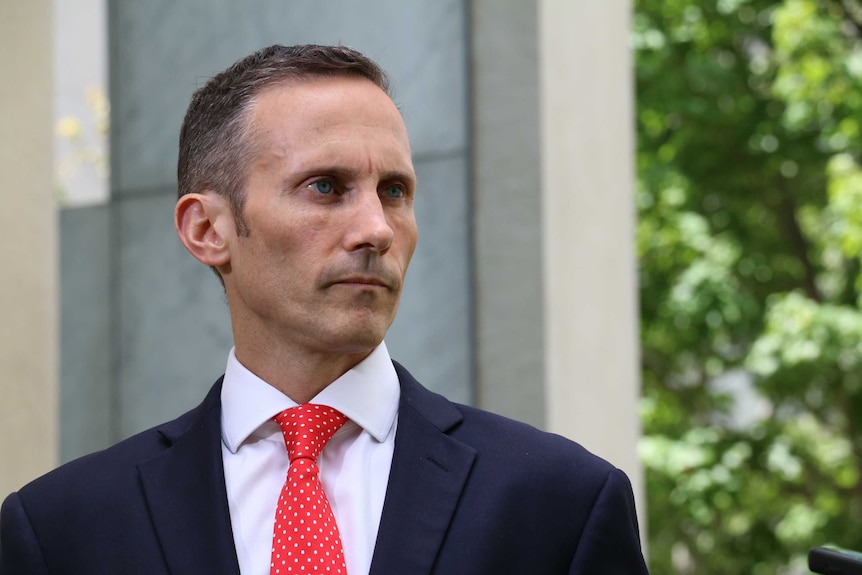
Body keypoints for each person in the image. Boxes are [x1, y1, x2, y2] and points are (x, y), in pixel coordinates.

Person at [0, 44, 649, 574]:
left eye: (394, 190)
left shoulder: (561, 503)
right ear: (207, 230)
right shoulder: (62, 529)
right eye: (326, 187)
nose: (376, 228)